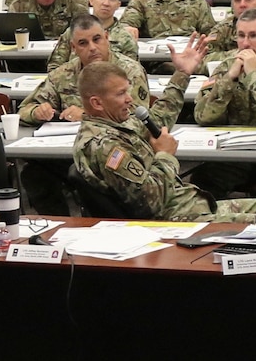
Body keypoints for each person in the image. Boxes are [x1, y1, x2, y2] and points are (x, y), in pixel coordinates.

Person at [20, 17, 187, 215]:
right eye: (83, 43)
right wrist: (37, 111)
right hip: (84, 151)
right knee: (34, 172)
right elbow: (24, 109)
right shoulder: (62, 74)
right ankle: (62, 225)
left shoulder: (128, 71)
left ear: (107, 38)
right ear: (73, 47)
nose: (92, 48)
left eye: (97, 39)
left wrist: (86, 115)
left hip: (119, 150)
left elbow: (135, 121)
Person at [69, 61, 256, 221]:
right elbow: (150, 202)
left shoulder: (115, 125)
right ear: (96, 103)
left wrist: (182, 74)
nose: (129, 99)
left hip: (188, 205)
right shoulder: (105, 146)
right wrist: (165, 156)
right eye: (120, 94)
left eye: (127, 91)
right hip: (175, 220)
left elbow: (159, 118)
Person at [46, 0, 135, 69]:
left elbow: (131, 71)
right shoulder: (73, 33)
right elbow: (54, 67)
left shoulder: (126, 39)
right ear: (91, 0)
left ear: (118, 5)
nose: (106, 3)